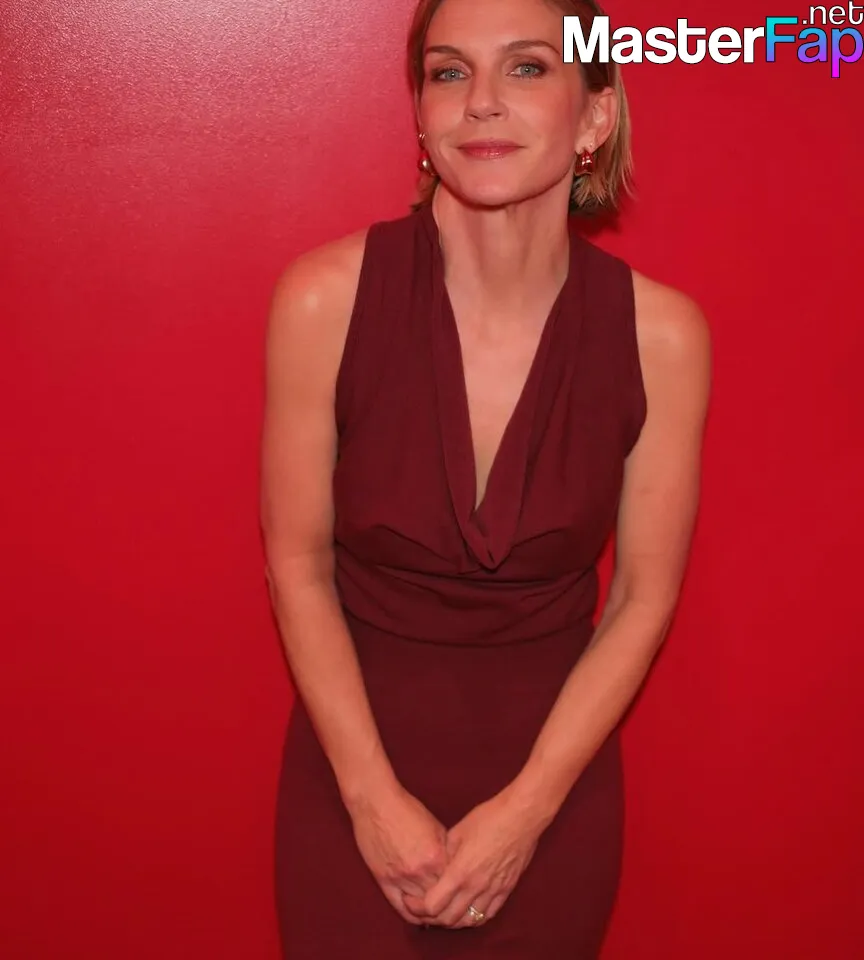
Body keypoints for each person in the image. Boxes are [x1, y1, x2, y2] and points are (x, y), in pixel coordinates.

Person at [259, 0, 711, 955]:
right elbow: (296, 564)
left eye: (529, 67)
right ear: (422, 115)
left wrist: (527, 812)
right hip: (351, 784)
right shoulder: (323, 300)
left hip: (552, 796)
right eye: (450, 72)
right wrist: (370, 801)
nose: (482, 102)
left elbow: (642, 597)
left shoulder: (662, 337)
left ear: (596, 115)